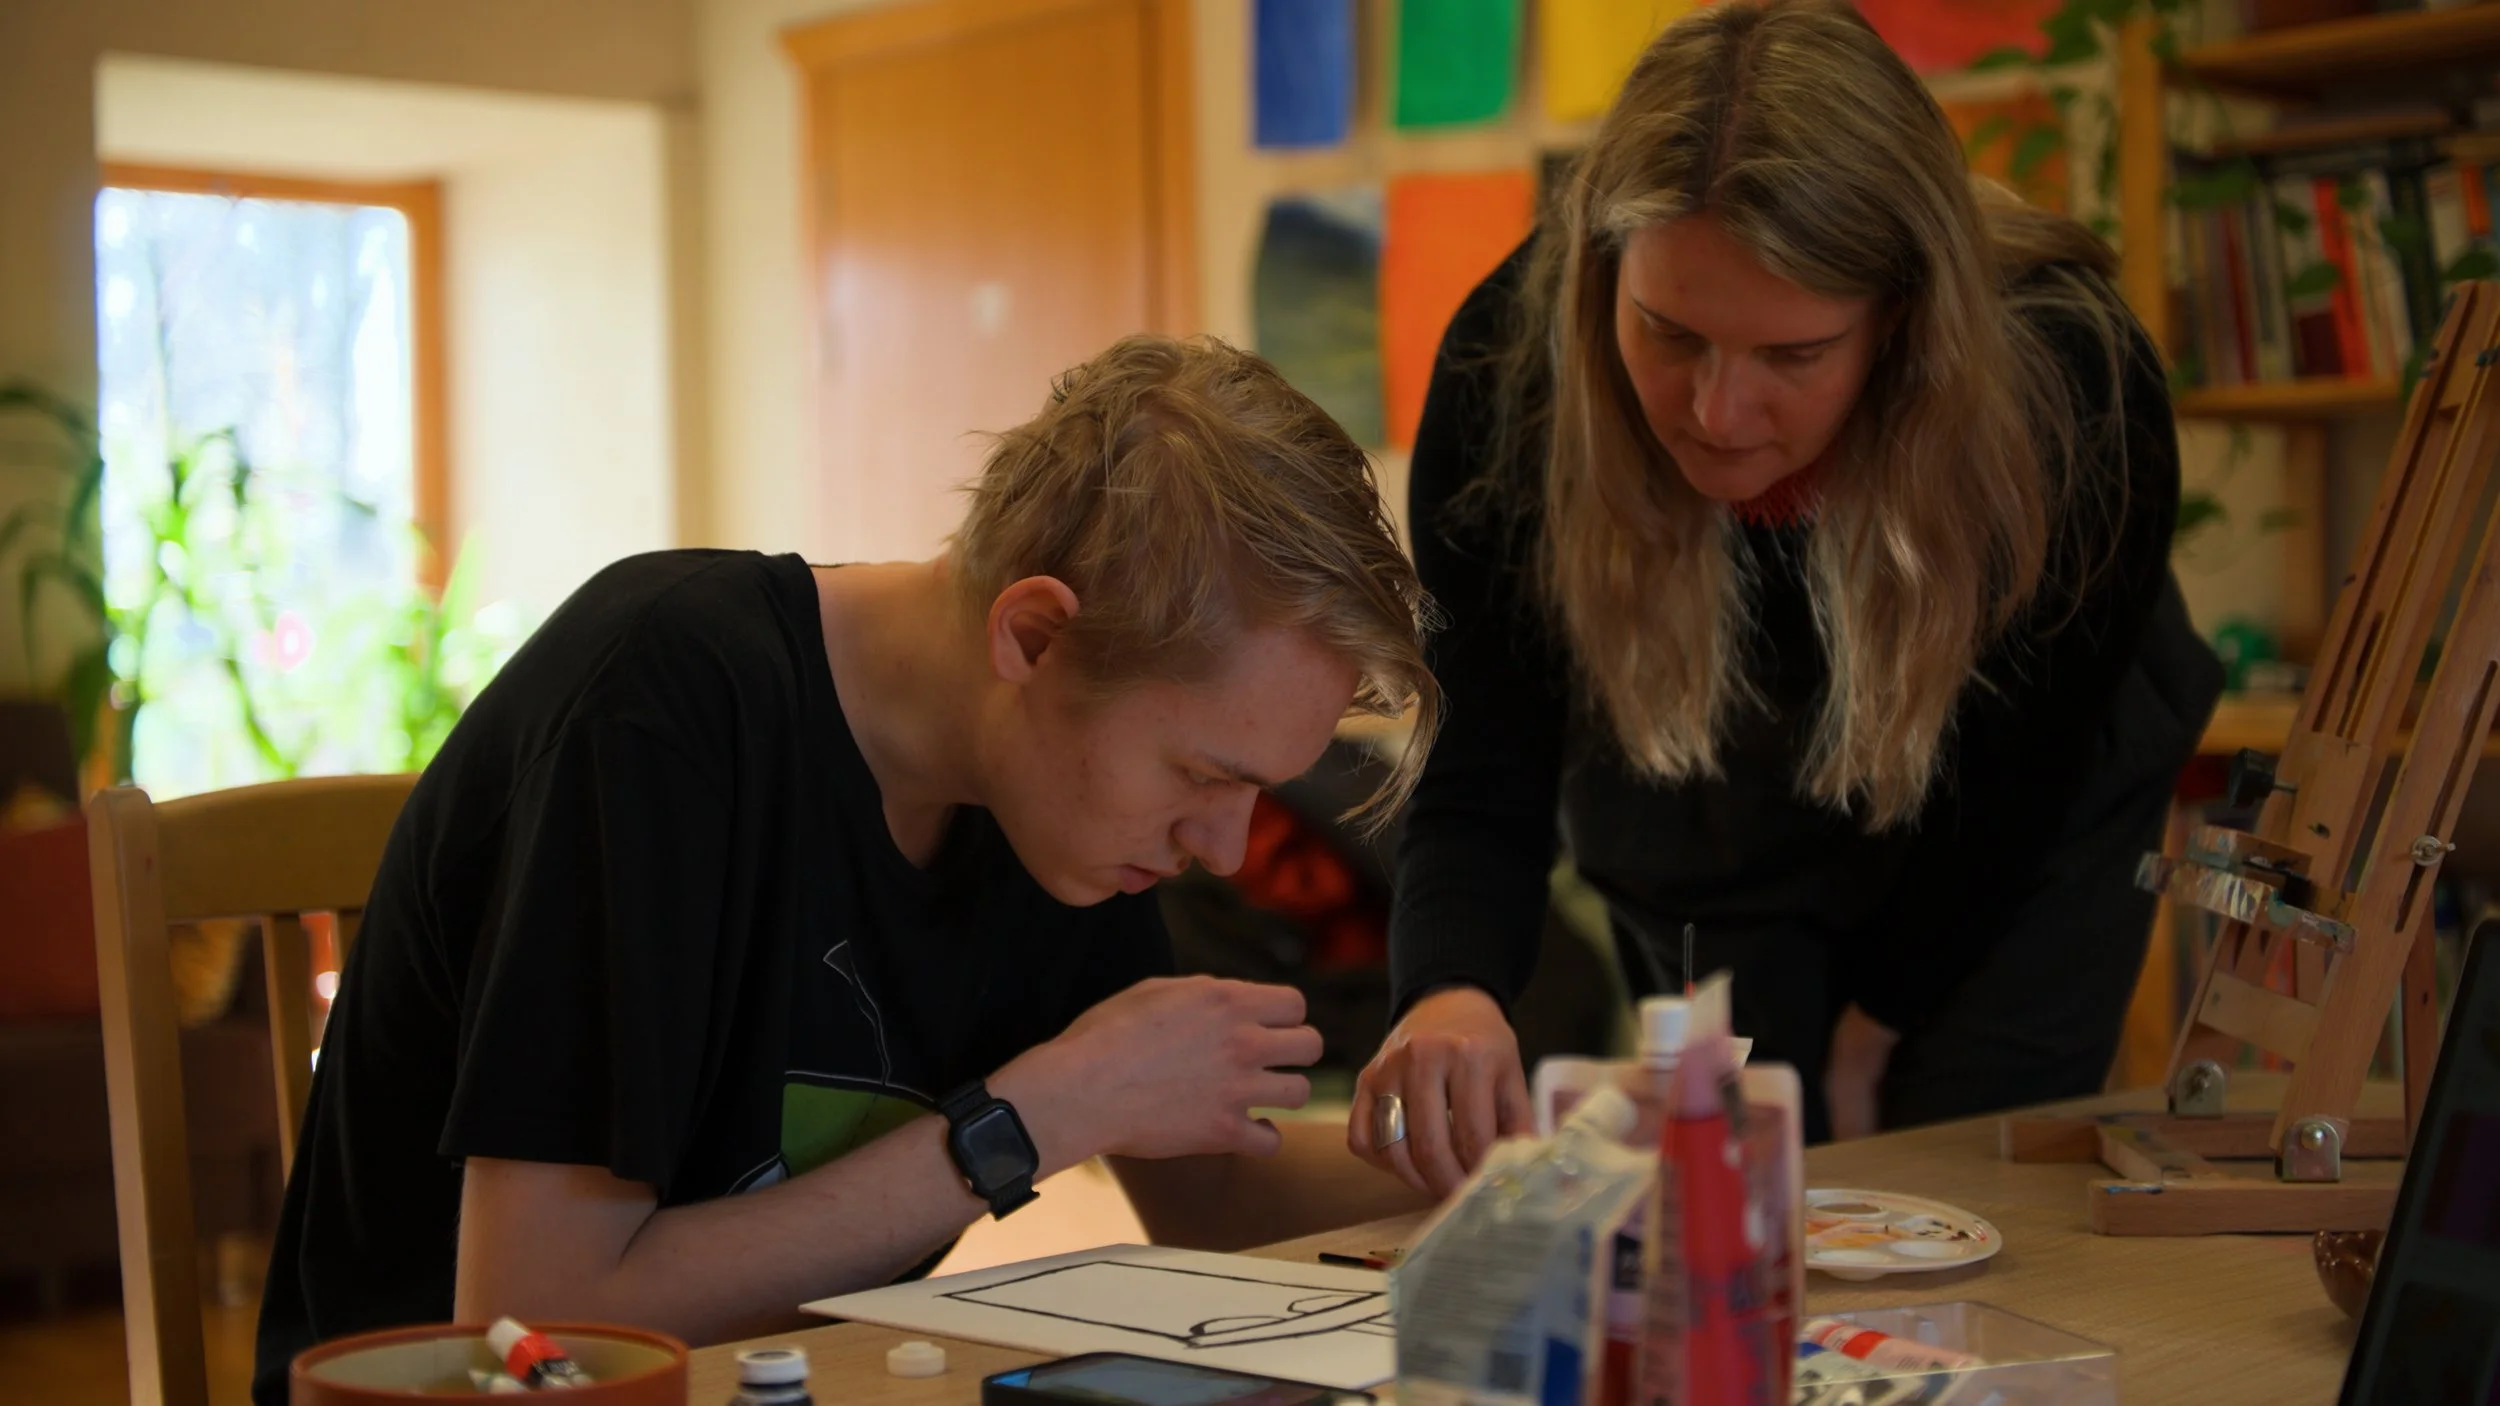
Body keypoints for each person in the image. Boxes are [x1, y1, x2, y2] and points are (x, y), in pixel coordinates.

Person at [253, 335, 1440, 1400]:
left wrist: (1509, 1161)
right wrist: (1031, 1118)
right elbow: (540, 1325)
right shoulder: (663, 707)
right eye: (1200, 772)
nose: (1223, 849)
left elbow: (1209, 1195)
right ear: (1031, 634)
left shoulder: (1056, 814)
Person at [1350, 0, 2224, 1195]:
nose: (1716, 413)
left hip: (2012, 813)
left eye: (1794, 356)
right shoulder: (1507, 374)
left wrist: (1886, 1018)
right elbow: (1482, 759)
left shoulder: (2072, 389)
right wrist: (1449, 989)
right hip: (1700, 793)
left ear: (1902, 325)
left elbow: (2021, 771)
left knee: (1959, 1192)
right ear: (1603, 272)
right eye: (1668, 333)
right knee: (1732, 1204)